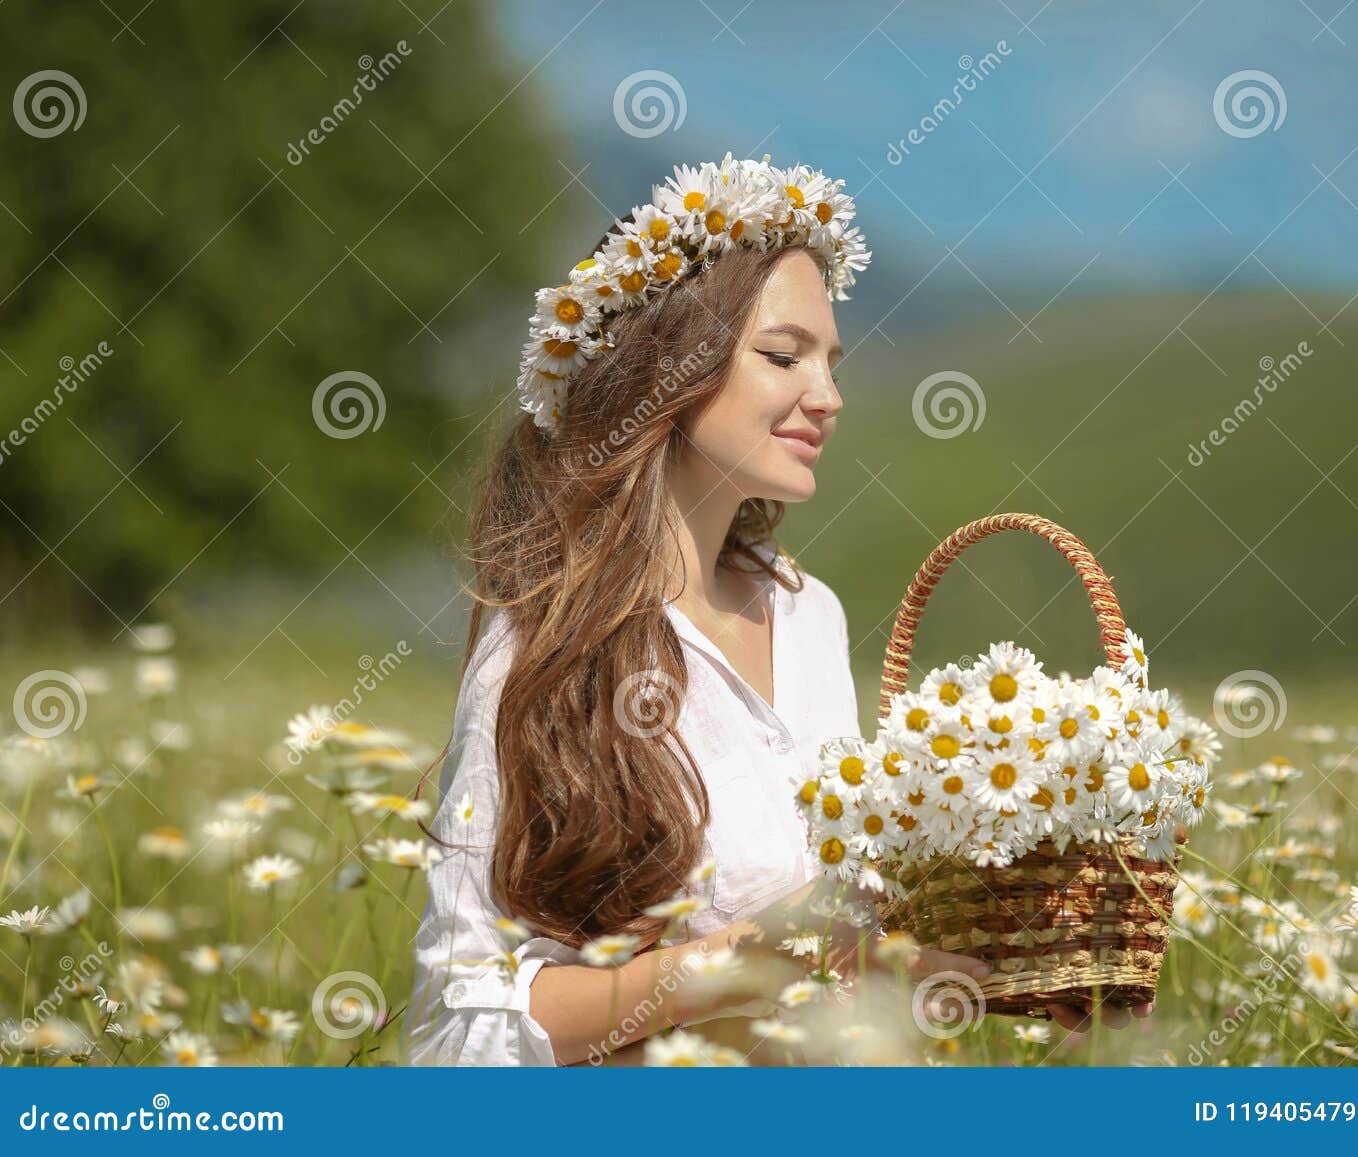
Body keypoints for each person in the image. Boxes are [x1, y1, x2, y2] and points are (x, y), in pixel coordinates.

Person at [402, 154, 1149, 1067]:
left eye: (831, 362)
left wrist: (989, 970)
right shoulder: (550, 647)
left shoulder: (811, 619)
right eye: (783, 356)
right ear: (661, 368)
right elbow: (459, 1030)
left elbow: (841, 946)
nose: (827, 397)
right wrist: (744, 960)